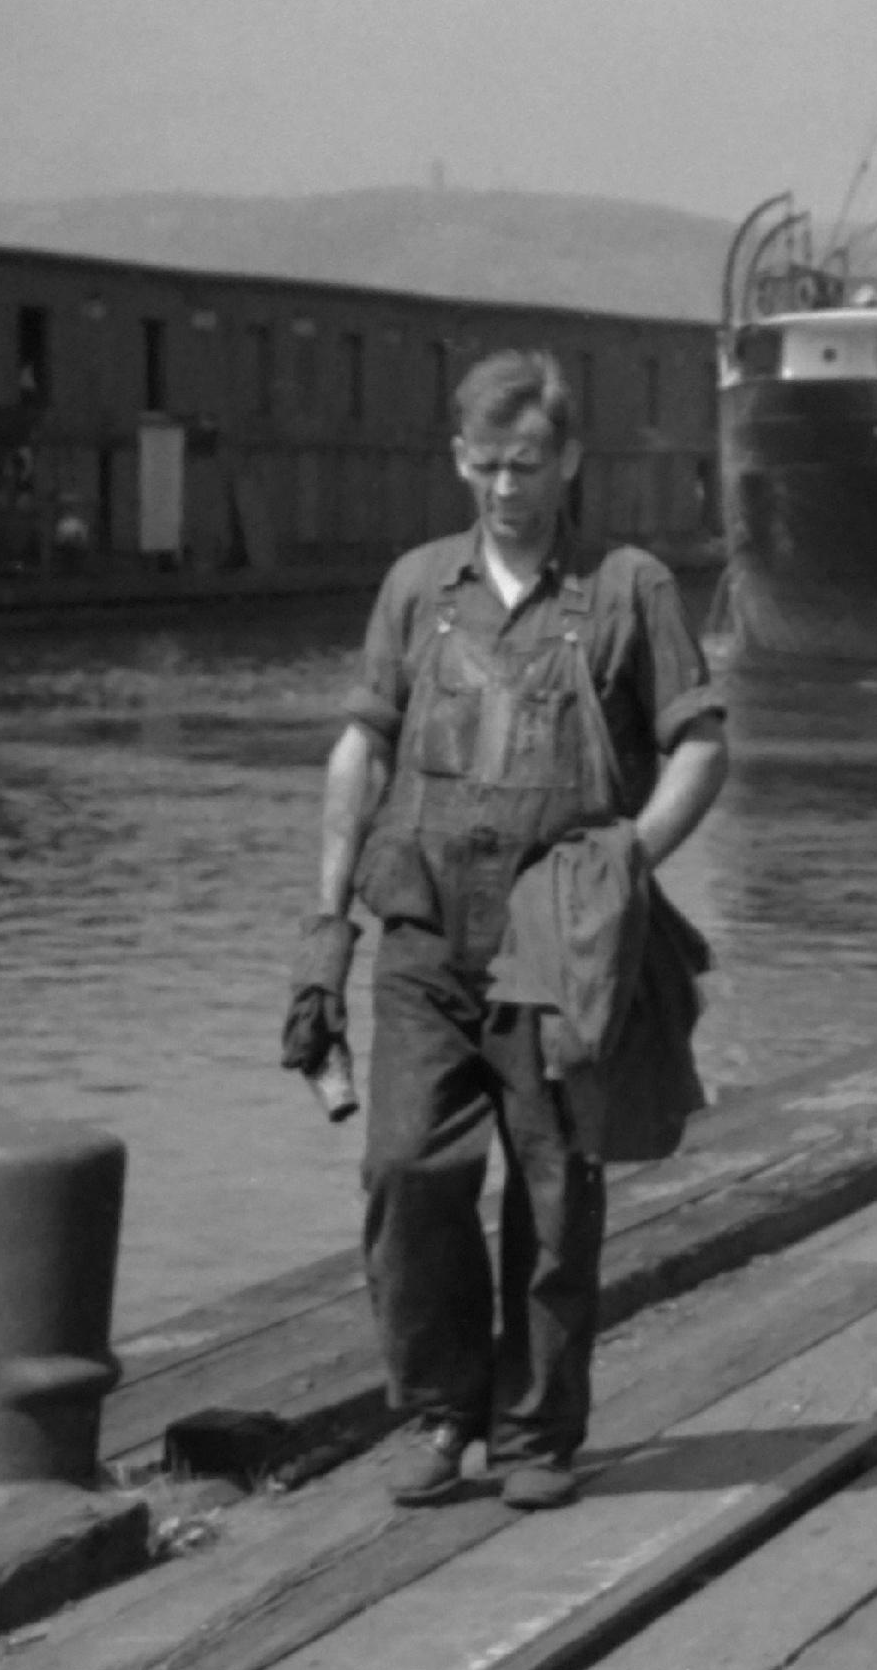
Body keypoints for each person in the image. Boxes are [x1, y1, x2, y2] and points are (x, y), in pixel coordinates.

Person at [284, 349, 729, 1511]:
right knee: (403, 1170)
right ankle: (441, 1412)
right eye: (483, 465)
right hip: (425, 929)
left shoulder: (628, 588)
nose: (504, 489)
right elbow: (362, 749)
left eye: (526, 464)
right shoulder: (417, 589)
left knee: (551, 1185)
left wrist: (628, 859)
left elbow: (699, 744)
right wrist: (324, 929)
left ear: (570, 460)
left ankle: (533, 1436)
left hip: (557, 940)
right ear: (457, 462)